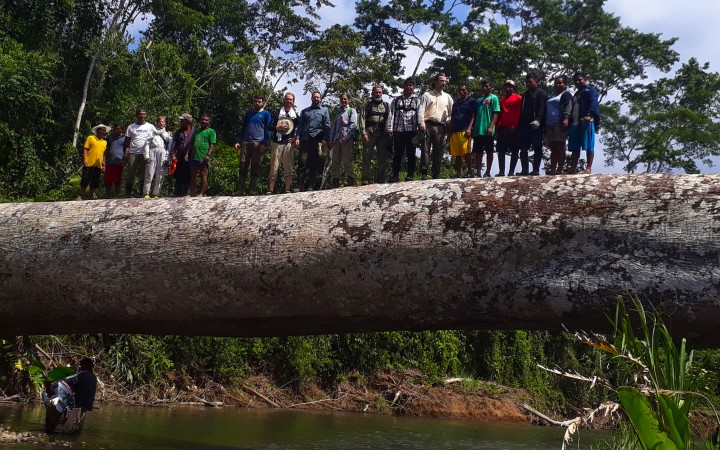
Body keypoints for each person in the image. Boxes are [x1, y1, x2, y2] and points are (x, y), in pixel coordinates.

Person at [44, 357, 97, 434]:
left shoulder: (80, 375)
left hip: (76, 405)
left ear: (82, 366)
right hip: (86, 406)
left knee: (54, 399)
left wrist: (52, 388)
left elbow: (63, 381)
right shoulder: (93, 377)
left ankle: (56, 427)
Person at [234, 96, 272, 195]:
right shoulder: (248, 113)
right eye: (255, 101)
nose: (257, 103)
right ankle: (240, 190)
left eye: (259, 102)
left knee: (255, 165)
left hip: (258, 143)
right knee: (243, 164)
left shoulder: (266, 114)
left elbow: (268, 130)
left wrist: (265, 143)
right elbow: (243, 128)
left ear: (263, 103)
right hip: (246, 142)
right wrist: (238, 141)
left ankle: (252, 190)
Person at [387, 77, 422, 182]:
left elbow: (420, 115)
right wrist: (389, 128)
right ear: (403, 86)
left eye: (411, 85)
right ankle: (395, 175)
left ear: (414, 87)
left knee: (411, 154)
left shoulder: (417, 101)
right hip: (399, 131)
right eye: (407, 85)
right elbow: (391, 114)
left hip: (412, 131)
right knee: (398, 154)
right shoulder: (396, 100)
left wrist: (420, 129)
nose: (409, 87)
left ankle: (410, 175)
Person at [419, 72, 453, 179]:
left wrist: (448, 121)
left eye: (445, 81)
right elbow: (421, 110)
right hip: (427, 125)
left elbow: (452, 112)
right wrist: (421, 123)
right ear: (435, 81)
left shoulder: (447, 97)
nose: (444, 83)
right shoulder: (427, 95)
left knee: (438, 150)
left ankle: (435, 174)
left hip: (441, 127)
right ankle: (424, 173)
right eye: (441, 81)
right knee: (425, 149)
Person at [296, 91, 330, 192]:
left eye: (318, 97)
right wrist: (297, 137)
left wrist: (325, 138)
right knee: (302, 162)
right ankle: (300, 185)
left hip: (317, 140)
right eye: (314, 97)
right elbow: (300, 126)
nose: (316, 99)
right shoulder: (305, 111)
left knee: (314, 164)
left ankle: (311, 186)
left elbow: (327, 126)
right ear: (311, 98)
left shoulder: (324, 111)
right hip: (305, 139)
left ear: (320, 99)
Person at [568, 73, 600, 174]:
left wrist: (589, 115)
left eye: (579, 80)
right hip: (575, 122)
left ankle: (588, 168)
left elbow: (593, 102)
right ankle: (572, 168)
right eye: (575, 81)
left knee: (589, 145)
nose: (577, 82)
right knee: (575, 146)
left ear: (585, 79)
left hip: (586, 120)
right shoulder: (576, 93)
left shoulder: (590, 89)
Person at [517, 73, 548, 175]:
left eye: (530, 81)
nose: (528, 84)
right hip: (524, 125)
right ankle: (524, 170)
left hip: (536, 125)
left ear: (536, 81)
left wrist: (538, 120)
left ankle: (535, 170)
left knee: (537, 146)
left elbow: (542, 108)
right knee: (523, 148)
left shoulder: (541, 93)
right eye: (526, 82)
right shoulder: (525, 95)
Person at [268, 92, 298, 194]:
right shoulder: (277, 113)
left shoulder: (295, 116)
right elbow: (269, 126)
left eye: (291, 100)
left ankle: (287, 189)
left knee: (288, 166)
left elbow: (299, 129)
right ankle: (270, 190)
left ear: (293, 101)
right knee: (274, 165)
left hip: (289, 144)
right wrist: (277, 128)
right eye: (287, 99)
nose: (289, 101)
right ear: (284, 100)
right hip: (277, 142)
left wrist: (295, 138)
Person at [359, 85, 390, 185]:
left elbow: (390, 119)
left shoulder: (386, 105)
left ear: (382, 93)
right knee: (367, 156)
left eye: (380, 92)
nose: (378, 94)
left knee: (382, 157)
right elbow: (362, 119)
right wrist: (363, 133)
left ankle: (380, 178)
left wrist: (389, 132)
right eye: (376, 92)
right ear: (372, 93)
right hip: (370, 132)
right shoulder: (367, 105)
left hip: (382, 133)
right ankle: (365, 178)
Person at [544, 75, 573, 175]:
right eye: (556, 83)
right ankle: (552, 169)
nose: (557, 84)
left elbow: (568, 107)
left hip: (559, 124)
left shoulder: (566, 95)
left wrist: (566, 118)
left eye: (560, 83)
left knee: (560, 146)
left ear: (565, 84)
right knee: (552, 147)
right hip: (549, 124)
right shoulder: (552, 95)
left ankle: (560, 169)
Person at [328, 93, 358, 187]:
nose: (343, 101)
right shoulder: (338, 112)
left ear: (348, 100)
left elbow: (353, 125)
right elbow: (334, 126)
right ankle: (335, 180)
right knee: (335, 160)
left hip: (346, 139)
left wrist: (347, 137)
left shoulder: (351, 111)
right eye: (342, 99)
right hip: (336, 139)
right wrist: (331, 139)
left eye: (345, 99)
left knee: (347, 160)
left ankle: (350, 179)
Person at [472, 80, 500, 178]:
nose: (484, 88)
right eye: (483, 86)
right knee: (478, 152)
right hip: (477, 130)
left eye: (487, 86)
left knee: (489, 151)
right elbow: (474, 115)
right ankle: (478, 172)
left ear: (491, 87)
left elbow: (496, 113)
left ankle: (488, 172)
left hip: (488, 129)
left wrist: (491, 126)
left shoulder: (494, 98)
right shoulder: (478, 100)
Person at [123, 109, 155, 197]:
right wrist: (126, 152)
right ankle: (127, 194)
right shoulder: (131, 127)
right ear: (137, 115)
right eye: (140, 114)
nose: (142, 116)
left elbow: (157, 135)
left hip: (145, 153)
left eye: (144, 114)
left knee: (143, 174)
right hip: (133, 152)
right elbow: (127, 141)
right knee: (130, 173)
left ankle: (142, 194)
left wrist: (168, 133)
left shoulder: (150, 127)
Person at [448, 83, 476, 178]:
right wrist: (450, 131)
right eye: (460, 90)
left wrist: (469, 128)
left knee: (466, 152)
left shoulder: (471, 101)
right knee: (457, 153)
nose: (461, 91)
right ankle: (458, 173)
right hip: (455, 129)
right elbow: (452, 117)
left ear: (467, 90)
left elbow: (473, 116)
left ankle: (470, 172)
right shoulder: (456, 103)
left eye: (463, 90)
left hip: (465, 129)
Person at [495, 80, 523, 176]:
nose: (508, 88)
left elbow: (518, 113)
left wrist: (515, 126)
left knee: (514, 150)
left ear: (513, 88)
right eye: (506, 86)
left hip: (513, 128)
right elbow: (499, 114)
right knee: (501, 150)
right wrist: (497, 127)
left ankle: (511, 171)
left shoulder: (518, 98)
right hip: (502, 127)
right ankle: (501, 171)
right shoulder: (501, 100)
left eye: (510, 87)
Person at [143, 116, 171, 198]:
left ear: (165, 123)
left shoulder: (167, 134)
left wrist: (167, 158)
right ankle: (146, 192)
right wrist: (146, 156)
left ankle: (156, 193)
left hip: (163, 152)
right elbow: (147, 144)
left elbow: (169, 147)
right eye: (159, 122)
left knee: (160, 174)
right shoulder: (151, 132)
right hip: (152, 151)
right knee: (149, 173)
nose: (161, 123)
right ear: (157, 123)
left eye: (163, 122)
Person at [189, 114, 216, 196]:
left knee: (203, 174)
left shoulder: (211, 131)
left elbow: (212, 144)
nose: (203, 121)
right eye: (202, 119)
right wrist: (187, 154)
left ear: (209, 122)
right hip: (194, 156)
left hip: (203, 157)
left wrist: (208, 155)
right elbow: (191, 143)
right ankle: (192, 193)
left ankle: (202, 193)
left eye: (206, 120)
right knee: (193, 175)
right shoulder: (196, 131)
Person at [80, 124, 108, 200]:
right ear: (98, 130)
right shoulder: (91, 138)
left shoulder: (105, 142)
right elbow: (85, 148)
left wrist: (104, 163)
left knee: (95, 181)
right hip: (89, 162)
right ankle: (82, 195)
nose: (104, 132)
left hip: (98, 164)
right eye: (102, 130)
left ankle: (90, 195)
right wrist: (85, 159)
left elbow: (104, 153)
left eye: (105, 131)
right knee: (85, 179)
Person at [169, 114, 195, 197]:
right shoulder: (179, 132)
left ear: (188, 121)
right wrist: (172, 155)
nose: (181, 122)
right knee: (178, 177)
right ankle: (177, 195)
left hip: (190, 158)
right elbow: (173, 144)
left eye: (182, 120)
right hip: (179, 158)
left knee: (188, 176)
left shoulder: (195, 132)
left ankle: (185, 194)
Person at [103, 124, 125, 198]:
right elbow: (107, 149)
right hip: (109, 162)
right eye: (115, 129)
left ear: (122, 130)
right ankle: (107, 195)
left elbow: (127, 149)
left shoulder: (125, 138)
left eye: (118, 129)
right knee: (108, 180)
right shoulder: (110, 137)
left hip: (119, 162)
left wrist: (124, 159)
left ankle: (116, 195)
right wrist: (104, 160)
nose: (116, 130)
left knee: (117, 180)